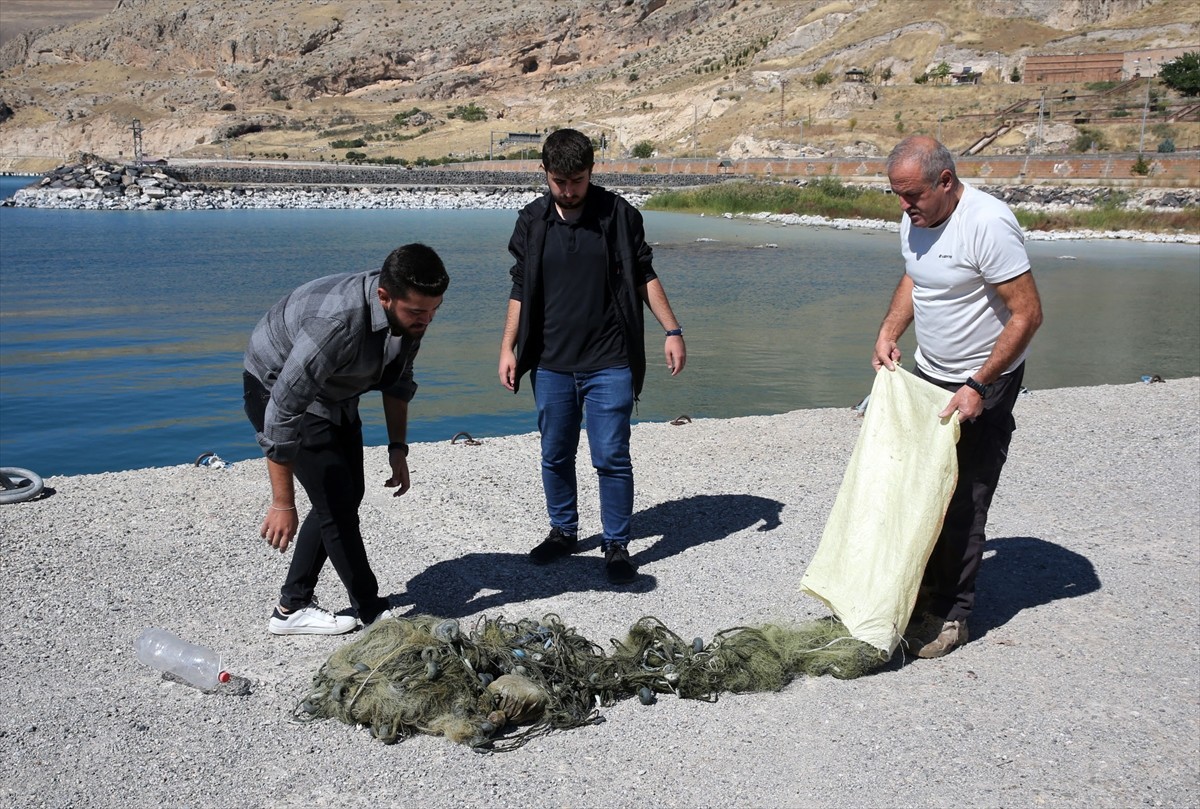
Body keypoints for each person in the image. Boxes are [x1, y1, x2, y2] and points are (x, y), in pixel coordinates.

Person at [872, 136, 1043, 658]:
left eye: (912, 195)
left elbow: (1027, 314)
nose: (904, 206)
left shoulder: (987, 223)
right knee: (920, 485)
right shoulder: (916, 217)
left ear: (945, 181)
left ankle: (952, 614)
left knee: (964, 495)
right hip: (929, 373)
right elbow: (916, 276)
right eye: (896, 195)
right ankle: (918, 590)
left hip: (982, 380)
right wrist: (889, 332)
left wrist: (979, 384)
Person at [498, 128, 686, 585]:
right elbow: (521, 288)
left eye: (578, 180)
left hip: (610, 361)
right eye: (560, 181)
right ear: (544, 174)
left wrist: (672, 329)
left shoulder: (619, 215)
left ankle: (616, 543)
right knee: (555, 453)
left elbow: (644, 274)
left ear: (591, 172)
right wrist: (508, 346)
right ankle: (563, 531)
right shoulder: (532, 221)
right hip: (550, 363)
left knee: (611, 456)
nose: (568, 190)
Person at [244, 243, 449, 635]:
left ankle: (291, 607)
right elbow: (283, 410)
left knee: (342, 496)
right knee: (337, 507)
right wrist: (282, 502)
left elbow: (398, 382)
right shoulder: (337, 324)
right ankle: (373, 614)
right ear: (384, 296)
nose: (427, 319)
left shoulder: (409, 315)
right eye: (418, 312)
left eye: (435, 309)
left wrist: (397, 449)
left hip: (334, 391)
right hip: (275, 388)